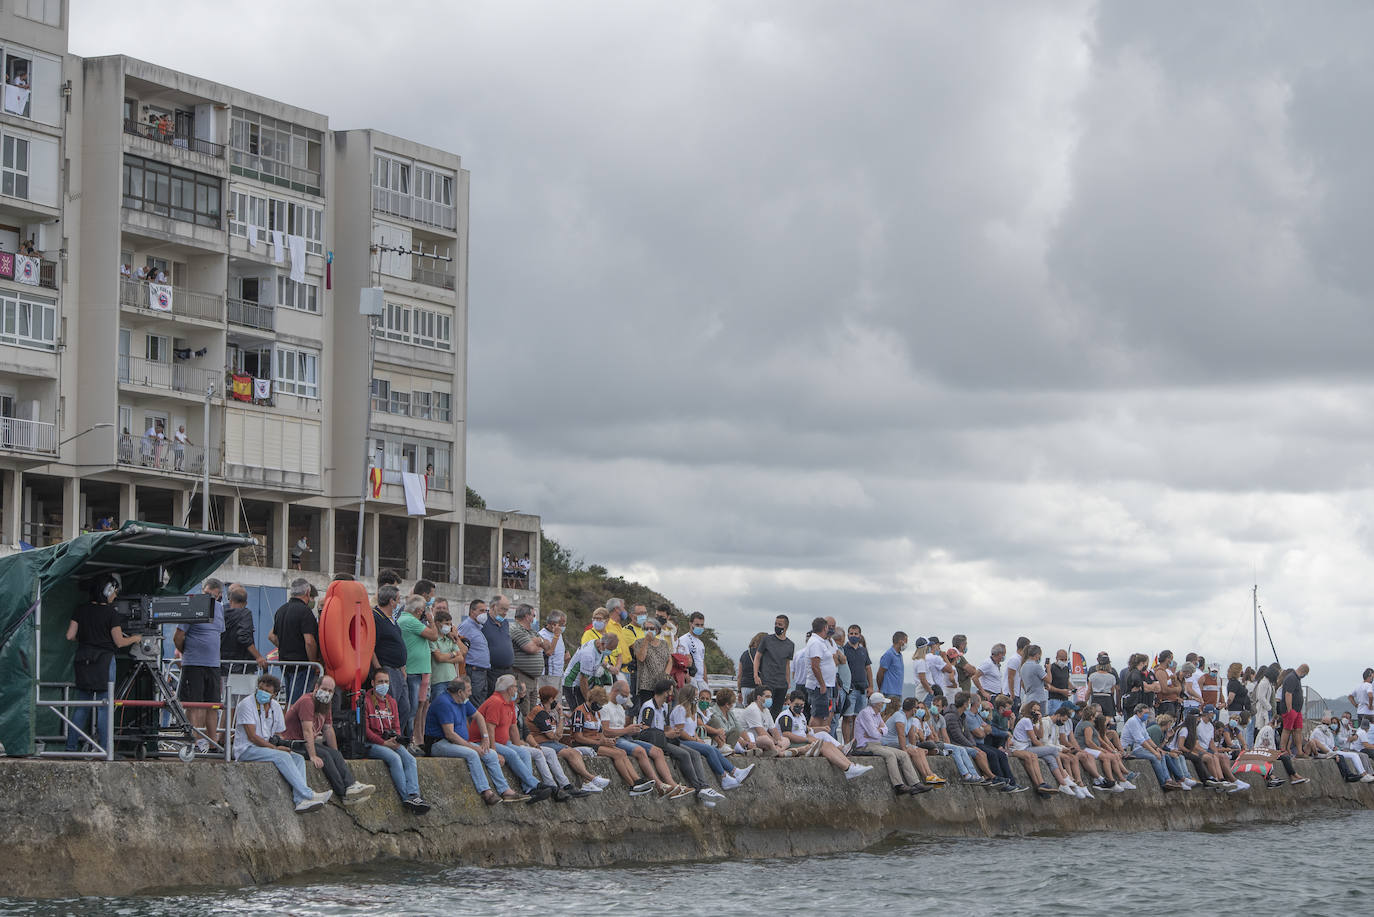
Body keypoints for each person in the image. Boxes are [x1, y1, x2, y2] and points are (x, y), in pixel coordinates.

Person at [233, 673, 332, 812]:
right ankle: (308, 794)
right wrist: (275, 748)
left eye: (267, 691)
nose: (262, 693)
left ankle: (300, 801)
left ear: (274, 694)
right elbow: (252, 737)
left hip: (266, 747)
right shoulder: (246, 704)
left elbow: (279, 733)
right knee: (282, 756)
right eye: (260, 689)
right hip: (247, 749)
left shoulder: (275, 707)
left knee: (297, 758)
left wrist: (282, 745)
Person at [65, 574, 141, 752]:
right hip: (104, 662)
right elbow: (119, 642)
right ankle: (106, 750)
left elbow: (69, 636)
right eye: (114, 591)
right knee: (104, 707)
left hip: (83, 659)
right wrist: (136, 638)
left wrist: (87, 639)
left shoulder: (80, 609)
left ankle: (70, 748)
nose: (115, 594)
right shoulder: (111, 613)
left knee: (82, 706)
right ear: (107, 591)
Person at [424, 677, 526, 804]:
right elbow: (450, 734)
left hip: (456, 742)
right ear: (460, 692)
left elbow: (478, 716)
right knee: (472, 754)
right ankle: (486, 792)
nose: (471, 693)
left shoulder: (463, 701)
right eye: (468, 690)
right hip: (439, 743)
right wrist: (473, 747)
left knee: (491, 754)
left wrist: (485, 738)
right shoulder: (444, 702)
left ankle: (505, 790)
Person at [281, 675, 376, 805]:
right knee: (325, 756)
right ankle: (343, 793)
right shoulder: (307, 701)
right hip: (293, 742)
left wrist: (336, 754)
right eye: (324, 689)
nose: (327, 693)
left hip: (305, 741)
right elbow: (307, 730)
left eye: (330, 691)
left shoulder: (326, 704)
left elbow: (328, 729)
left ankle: (351, 785)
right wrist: (313, 755)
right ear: (316, 687)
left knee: (334, 753)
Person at [476, 675, 555, 802]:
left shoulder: (510, 704)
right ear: (508, 689)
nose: (516, 690)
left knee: (523, 752)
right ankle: (535, 784)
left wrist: (519, 747)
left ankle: (529, 789)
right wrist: (494, 751)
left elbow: (513, 729)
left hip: (503, 741)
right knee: (512, 754)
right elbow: (489, 728)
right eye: (514, 687)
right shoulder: (496, 701)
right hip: (485, 741)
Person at [569, 685, 658, 797]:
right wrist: (600, 742)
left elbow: (600, 734)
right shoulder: (579, 712)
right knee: (617, 754)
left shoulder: (596, 713)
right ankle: (632, 785)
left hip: (596, 742)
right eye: (599, 704)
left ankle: (637, 781)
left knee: (622, 752)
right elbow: (578, 737)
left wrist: (607, 741)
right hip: (583, 744)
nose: (600, 707)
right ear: (592, 700)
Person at [602, 679, 684, 796]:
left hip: (625, 737)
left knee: (657, 751)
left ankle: (672, 784)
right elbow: (606, 731)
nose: (625, 699)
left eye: (627, 696)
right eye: (624, 695)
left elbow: (623, 728)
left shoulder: (620, 707)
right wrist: (627, 730)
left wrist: (632, 729)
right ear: (615, 691)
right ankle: (659, 785)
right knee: (640, 751)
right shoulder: (605, 707)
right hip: (615, 739)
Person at [362, 670, 430, 812]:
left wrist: (397, 739)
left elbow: (397, 725)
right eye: (380, 682)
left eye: (386, 682)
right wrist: (383, 743)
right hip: (373, 743)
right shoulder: (365, 701)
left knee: (410, 759)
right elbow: (365, 730)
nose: (384, 685)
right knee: (395, 759)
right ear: (373, 683)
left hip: (390, 741)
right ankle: (406, 797)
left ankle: (414, 794)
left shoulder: (391, 701)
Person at [667, 684, 755, 791]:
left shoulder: (692, 710)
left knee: (713, 750)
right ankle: (724, 777)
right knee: (709, 750)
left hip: (691, 739)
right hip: (680, 740)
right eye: (696, 696)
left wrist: (697, 738)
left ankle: (735, 772)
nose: (697, 699)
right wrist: (695, 740)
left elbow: (692, 729)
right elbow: (679, 732)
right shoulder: (680, 709)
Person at [174, 579, 226, 754]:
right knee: (193, 704)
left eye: (212, 595)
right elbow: (178, 636)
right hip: (194, 663)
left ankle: (213, 743)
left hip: (213, 664)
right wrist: (186, 653)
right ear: (202, 591)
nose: (208, 598)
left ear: (219, 595)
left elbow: (218, 633)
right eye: (206, 594)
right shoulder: (191, 605)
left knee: (213, 705)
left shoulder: (219, 609)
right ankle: (193, 742)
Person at [637, 678, 712, 801]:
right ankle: (697, 787)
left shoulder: (664, 707)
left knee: (695, 753)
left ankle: (704, 786)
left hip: (664, 739)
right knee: (684, 754)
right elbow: (645, 729)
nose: (672, 695)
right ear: (665, 692)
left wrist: (672, 732)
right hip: (654, 741)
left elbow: (666, 727)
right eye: (670, 692)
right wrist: (666, 734)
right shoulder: (649, 707)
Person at [526, 685, 608, 795]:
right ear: (550, 699)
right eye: (554, 698)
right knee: (571, 753)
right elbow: (552, 736)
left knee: (576, 752)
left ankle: (587, 782)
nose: (556, 701)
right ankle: (591, 778)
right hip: (541, 742)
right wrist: (560, 720)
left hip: (551, 742)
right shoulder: (539, 711)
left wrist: (560, 716)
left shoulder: (550, 712)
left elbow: (558, 736)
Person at [777, 689, 873, 780]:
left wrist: (818, 731)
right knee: (823, 747)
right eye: (796, 705)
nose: (799, 707)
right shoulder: (786, 716)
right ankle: (847, 769)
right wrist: (807, 740)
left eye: (802, 705)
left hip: (802, 741)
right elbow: (787, 734)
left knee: (829, 744)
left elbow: (805, 730)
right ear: (791, 702)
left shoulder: (801, 716)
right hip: (793, 744)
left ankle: (851, 765)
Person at [853, 692, 924, 795]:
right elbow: (874, 733)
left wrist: (879, 730)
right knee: (890, 755)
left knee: (903, 754)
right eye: (882, 703)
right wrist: (878, 731)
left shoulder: (877, 714)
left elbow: (884, 729)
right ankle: (898, 785)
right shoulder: (865, 713)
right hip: (865, 745)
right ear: (877, 704)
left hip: (877, 744)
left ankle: (915, 783)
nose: (883, 705)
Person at [369, 584, 411, 747]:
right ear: (392, 601)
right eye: (398, 599)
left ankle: (398, 738)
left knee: (404, 706)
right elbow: (371, 646)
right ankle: (388, 739)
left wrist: (402, 667)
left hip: (398, 670)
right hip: (386, 668)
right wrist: (379, 669)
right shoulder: (376, 617)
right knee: (390, 705)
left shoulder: (392, 620)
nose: (399, 603)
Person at [268, 578, 319, 705]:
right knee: (299, 703)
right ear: (307, 592)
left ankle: (288, 722)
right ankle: (293, 724)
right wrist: (313, 663)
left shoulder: (281, 610)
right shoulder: (305, 612)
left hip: (285, 663)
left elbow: (272, 636)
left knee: (289, 700)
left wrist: (286, 646)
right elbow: (309, 641)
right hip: (302, 665)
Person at [397, 595, 438, 745]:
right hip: (414, 672)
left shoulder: (408, 619)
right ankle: (409, 741)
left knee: (419, 708)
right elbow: (434, 636)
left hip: (420, 671)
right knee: (412, 710)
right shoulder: (409, 620)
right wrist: (432, 620)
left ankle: (416, 740)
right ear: (420, 610)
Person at [883, 697, 947, 788]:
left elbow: (911, 735)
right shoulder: (899, 716)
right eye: (917, 707)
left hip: (897, 743)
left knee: (920, 750)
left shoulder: (910, 718)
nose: (918, 710)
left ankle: (931, 775)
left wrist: (914, 747)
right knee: (914, 752)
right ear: (913, 709)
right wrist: (906, 750)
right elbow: (901, 735)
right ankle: (926, 777)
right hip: (888, 743)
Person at [1120, 705, 1182, 791]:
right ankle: (1163, 783)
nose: (1147, 715)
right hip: (1131, 750)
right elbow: (1141, 741)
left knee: (1162, 754)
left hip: (1139, 748)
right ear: (1138, 713)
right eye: (1145, 713)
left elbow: (1147, 738)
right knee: (1155, 757)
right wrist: (1154, 752)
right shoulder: (1133, 721)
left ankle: (1168, 780)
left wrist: (1157, 748)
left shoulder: (1141, 722)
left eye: (1148, 713)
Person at [220, 583, 268, 674]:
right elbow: (244, 636)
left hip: (221, 664)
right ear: (246, 603)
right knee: (242, 688)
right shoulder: (245, 613)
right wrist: (258, 657)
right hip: (242, 665)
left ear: (230, 600)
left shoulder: (220, 612)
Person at [754, 614, 795, 719]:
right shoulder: (767, 640)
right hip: (767, 681)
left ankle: (773, 732)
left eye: (780, 624)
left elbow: (787, 664)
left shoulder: (790, 644)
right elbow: (757, 657)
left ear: (785, 627)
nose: (777, 626)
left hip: (782, 683)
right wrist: (756, 675)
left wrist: (788, 681)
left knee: (776, 712)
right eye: (776, 624)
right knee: (765, 709)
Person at [508, 604, 546, 719]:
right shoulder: (515, 628)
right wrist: (538, 644)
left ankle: (528, 735)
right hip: (521, 676)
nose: (534, 618)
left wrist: (539, 640)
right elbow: (531, 649)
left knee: (532, 713)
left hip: (533, 679)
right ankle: (522, 736)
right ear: (526, 616)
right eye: (533, 615)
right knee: (523, 712)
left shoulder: (532, 632)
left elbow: (547, 646)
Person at [564, 632, 618, 710]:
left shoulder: (598, 645)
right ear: (602, 644)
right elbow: (583, 680)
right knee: (580, 711)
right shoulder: (588, 654)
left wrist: (608, 667)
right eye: (609, 649)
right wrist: (588, 700)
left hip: (584, 682)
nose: (610, 652)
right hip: (573, 684)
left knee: (588, 711)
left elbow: (598, 660)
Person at [802, 616, 838, 730]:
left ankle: (822, 740)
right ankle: (814, 738)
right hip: (819, 686)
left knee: (824, 715)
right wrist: (822, 684)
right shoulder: (815, 643)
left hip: (827, 684)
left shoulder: (821, 642)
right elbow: (815, 666)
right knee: (818, 715)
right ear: (825, 628)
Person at [839, 624, 873, 744]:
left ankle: (856, 743)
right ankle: (847, 743)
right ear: (848, 635)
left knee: (858, 718)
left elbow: (868, 668)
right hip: (850, 689)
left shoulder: (863, 651)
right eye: (851, 633)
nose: (853, 636)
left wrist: (871, 686)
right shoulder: (843, 650)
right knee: (847, 717)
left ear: (860, 635)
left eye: (856, 634)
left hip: (862, 689)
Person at [633, 617, 673, 707]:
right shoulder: (638, 642)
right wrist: (646, 641)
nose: (649, 631)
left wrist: (666, 676)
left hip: (662, 685)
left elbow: (669, 661)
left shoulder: (664, 643)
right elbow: (641, 658)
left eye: (652, 628)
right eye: (646, 629)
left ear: (657, 630)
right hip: (646, 686)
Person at [458, 599, 491, 703]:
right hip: (473, 671)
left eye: (486, 611)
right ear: (472, 612)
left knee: (480, 703)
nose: (484, 614)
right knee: (474, 703)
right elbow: (459, 644)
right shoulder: (466, 626)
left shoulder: (478, 627)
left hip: (482, 673)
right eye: (481, 611)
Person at [428, 607, 464, 702]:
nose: (449, 626)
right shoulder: (433, 639)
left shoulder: (450, 639)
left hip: (452, 679)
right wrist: (453, 653)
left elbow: (460, 658)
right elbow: (439, 658)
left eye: (450, 624)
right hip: (438, 680)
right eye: (446, 624)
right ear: (437, 623)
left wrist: (446, 657)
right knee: (439, 707)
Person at [482, 594, 515, 688]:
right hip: (492, 671)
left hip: (508, 670)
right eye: (503, 609)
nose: (505, 613)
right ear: (493, 607)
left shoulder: (505, 623)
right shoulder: (484, 622)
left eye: (507, 610)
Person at [1279, 664, 1309, 754]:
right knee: (1287, 729)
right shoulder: (1291, 678)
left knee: (1298, 730)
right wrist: (1289, 709)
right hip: (1291, 709)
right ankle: (1282, 749)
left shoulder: (1297, 679)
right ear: (1303, 672)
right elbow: (1288, 694)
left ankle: (1300, 752)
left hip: (1297, 709)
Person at [875, 631, 907, 715]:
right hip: (889, 692)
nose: (906, 644)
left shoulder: (899, 655)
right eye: (906, 641)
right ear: (901, 641)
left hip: (898, 692)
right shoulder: (889, 654)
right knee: (888, 715)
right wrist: (880, 687)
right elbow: (880, 673)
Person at [538, 610, 570, 691]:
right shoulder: (542, 635)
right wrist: (556, 636)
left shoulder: (559, 634)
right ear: (553, 624)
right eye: (562, 624)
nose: (563, 627)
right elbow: (549, 652)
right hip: (548, 675)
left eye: (564, 624)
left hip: (559, 674)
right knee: (550, 702)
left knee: (558, 702)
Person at [675, 612, 708, 689]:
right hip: (692, 679)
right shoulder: (684, 640)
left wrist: (705, 680)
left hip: (701, 680)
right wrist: (688, 680)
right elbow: (683, 661)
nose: (699, 627)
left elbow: (702, 661)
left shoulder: (700, 643)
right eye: (697, 625)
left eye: (701, 625)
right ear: (690, 624)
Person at [1018, 645, 1049, 711]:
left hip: (1029, 698)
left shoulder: (1023, 666)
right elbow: (1049, 680)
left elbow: (1022, 683)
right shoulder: (1037, 666)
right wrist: (1048, 669)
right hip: (1039, 698)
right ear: (1037, 655)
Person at [737, 631, 764, 705]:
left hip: (745, 687)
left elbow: (739, 675)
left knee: (747, 709)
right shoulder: (763, 655)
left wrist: (739, 691)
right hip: (758, 687)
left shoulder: (744, 654)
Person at [1047, 649, 1073, 715]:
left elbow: (1066, 680)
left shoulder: (1066, 668)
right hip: (1054, 699)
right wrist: (1061, 691)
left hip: (1065, 700)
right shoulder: (1051, 668)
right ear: (1056, 658)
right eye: (1062, 659)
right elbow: (1047, 685)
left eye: (1065, 659)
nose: (1064, 661)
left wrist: (1072, 688)